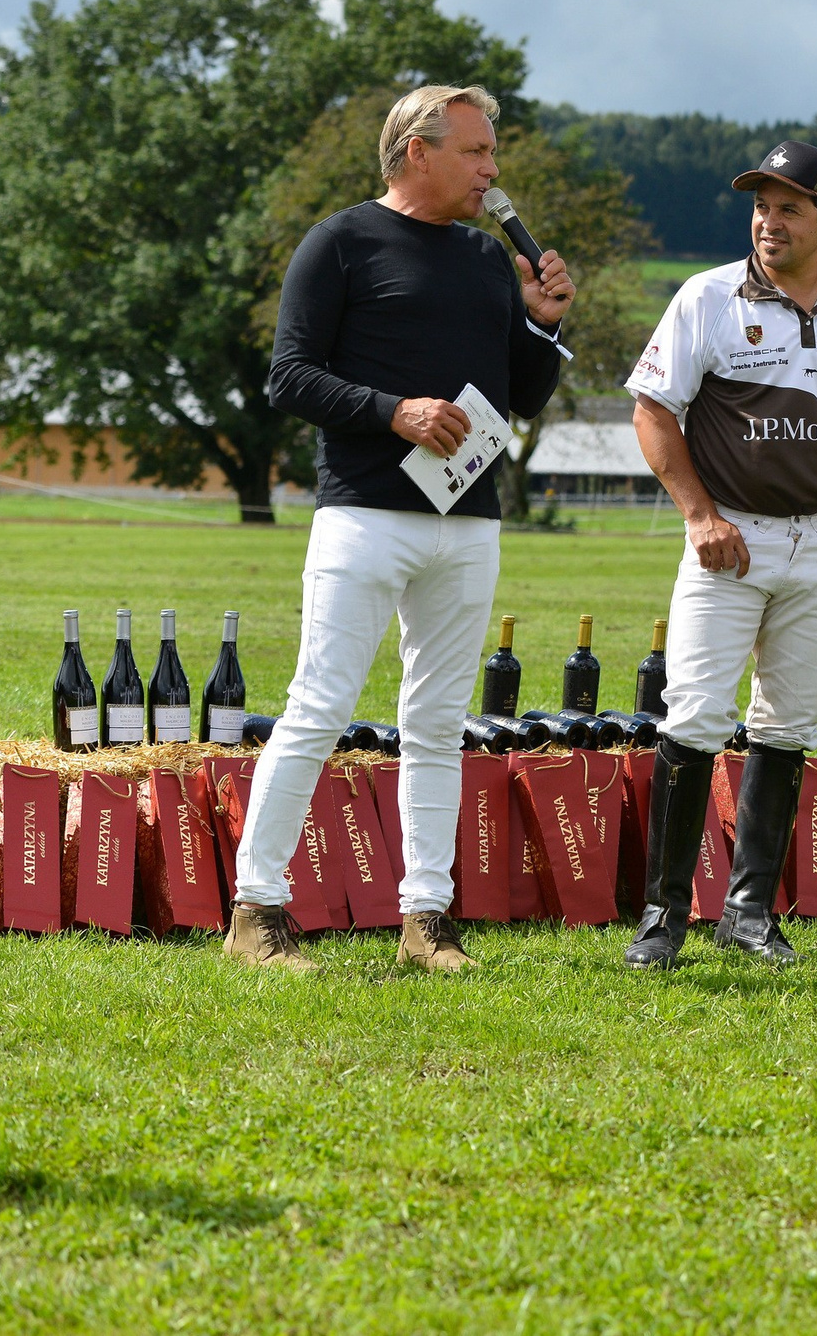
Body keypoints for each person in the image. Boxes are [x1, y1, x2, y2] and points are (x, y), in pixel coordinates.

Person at [230, 84, 574, 972]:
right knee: (319, 706)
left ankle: (428, 920)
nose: (494, 170)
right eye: (477, 152)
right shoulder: (339, 242)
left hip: (468, 523)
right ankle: (256, 911)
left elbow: (516, 400)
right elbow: (290, 378)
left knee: (436, 724)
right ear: (417, 151)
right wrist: (393, 412)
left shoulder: (484, 258)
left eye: (493, 153)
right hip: (363, 515)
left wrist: (543, 327)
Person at [622, 139, 817, 969]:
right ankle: (663, 916)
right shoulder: (709, 296)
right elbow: (653, 410)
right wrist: (698, 515)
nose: (768, 220)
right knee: (694, 718)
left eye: (790, 207)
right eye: (761, 205)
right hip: (731, 540)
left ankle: (749, 913)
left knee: (787, 727)